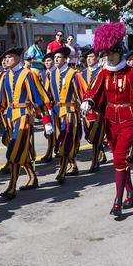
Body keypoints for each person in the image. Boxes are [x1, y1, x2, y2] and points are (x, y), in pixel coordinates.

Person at [81, 21, 133, 218]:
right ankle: (131, 192)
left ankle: (118, 201)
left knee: (120, 159)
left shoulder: (132, 73)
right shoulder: (104, 72)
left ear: (120, 52)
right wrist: (88, 101)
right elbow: (93, 91)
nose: (108, 57)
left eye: (111, 53)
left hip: (129, 120)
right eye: (105, 54)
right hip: (110, 121)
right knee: (119, 161)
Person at [0, 47, 53, 199]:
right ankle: (33, 177)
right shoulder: (5, 76)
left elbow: (39, 98)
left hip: (24, 116)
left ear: (18, 58)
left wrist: (46, 121)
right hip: (9, 117)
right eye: (5, 58)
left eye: (10, 57)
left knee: (15, 150)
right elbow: (0, 96)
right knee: (20, 149)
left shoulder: (28, 74)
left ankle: (11, 187)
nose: (6, 60)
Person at [45, 47, 83, 184]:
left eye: (59, 57)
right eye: (55, 57)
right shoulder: (51, 74)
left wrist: (84, 105)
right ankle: (73, 165)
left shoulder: (74, 74)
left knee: (66, 139)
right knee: (60, 140)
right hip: (56, 112)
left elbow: (80, 93)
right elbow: (47, 93)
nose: (56, 59)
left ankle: (62, 171)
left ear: (66, 59)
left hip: (70, 111)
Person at [80, 49, 107, 172]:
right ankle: (102, 154)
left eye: (91, 56)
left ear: (97, 58)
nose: (89, 59)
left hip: (99, 110)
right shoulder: (81, 74)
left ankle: (95, 162)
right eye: (87, 57)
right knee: (89, 136)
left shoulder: (103, 72)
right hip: (86, 111)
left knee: (96, 136)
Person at [39, 52, 58, 163]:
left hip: (56, 105)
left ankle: (52, 151)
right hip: (47, 106)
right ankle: (50, 151)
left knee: (56, 130)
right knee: (49, 131)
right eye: (45, 61)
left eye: (49, 60)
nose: (47, 63)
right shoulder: (43, 74)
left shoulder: (56, 73)